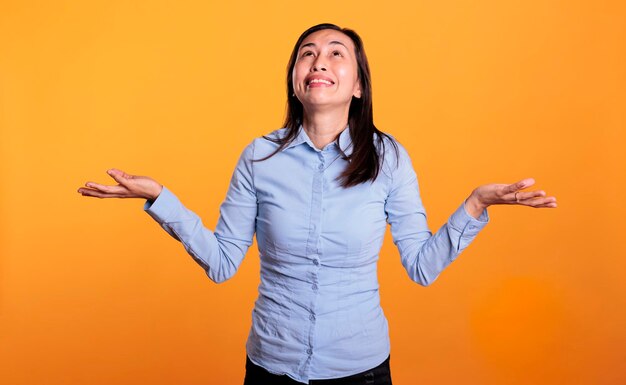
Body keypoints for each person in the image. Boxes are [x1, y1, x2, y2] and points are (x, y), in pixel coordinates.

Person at [77, 23, 557, 384]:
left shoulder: (389, 158)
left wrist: (475, 203)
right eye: (307, 54)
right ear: (295, 80)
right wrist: (160, 198)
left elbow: (422, 266)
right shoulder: (260, 156)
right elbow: (223, 262)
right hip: (271, 365)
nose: (318, 62)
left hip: (361, 369)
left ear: (357, 85)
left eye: (335, 53)